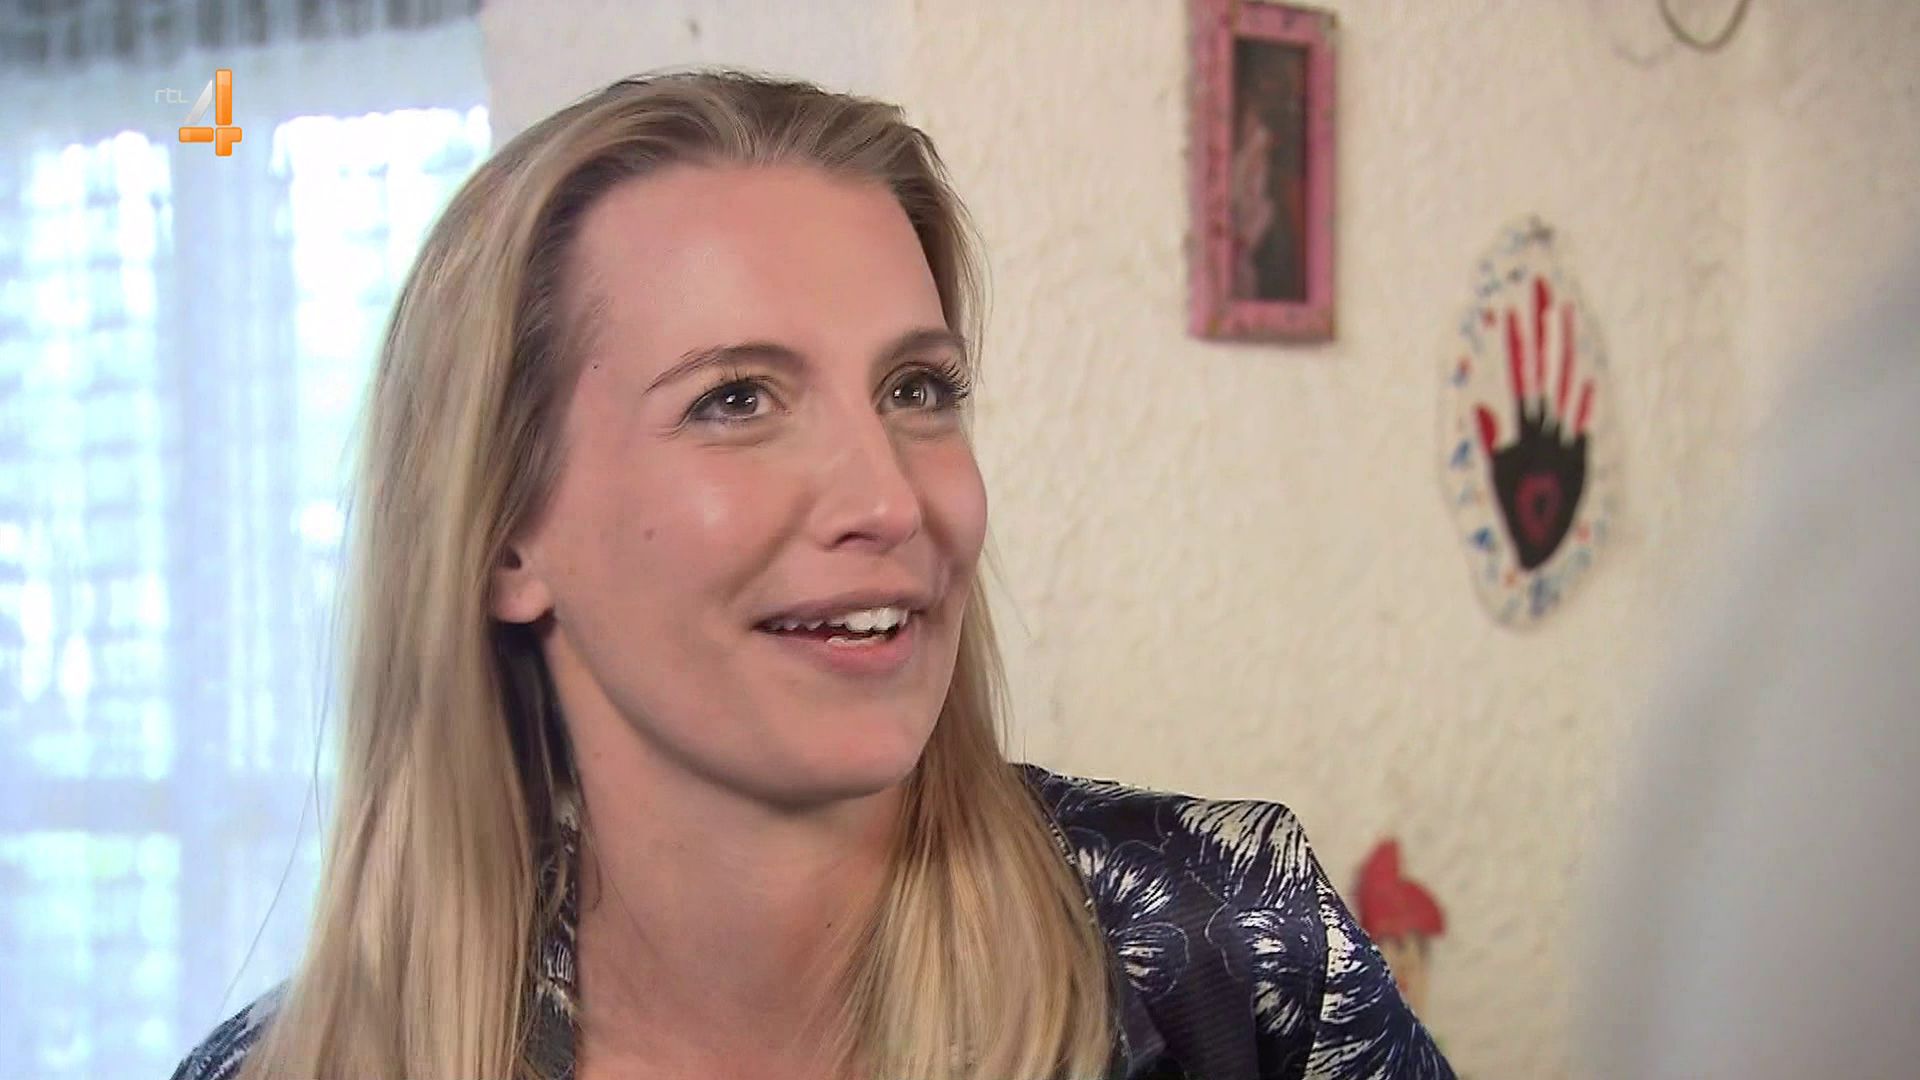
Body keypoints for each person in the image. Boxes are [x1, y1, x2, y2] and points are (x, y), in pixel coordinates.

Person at [169, 70, 1450, 1080]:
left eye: (917, 389)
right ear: (506, 536)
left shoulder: (1235, 955)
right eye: (737, 399)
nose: (890, 500)